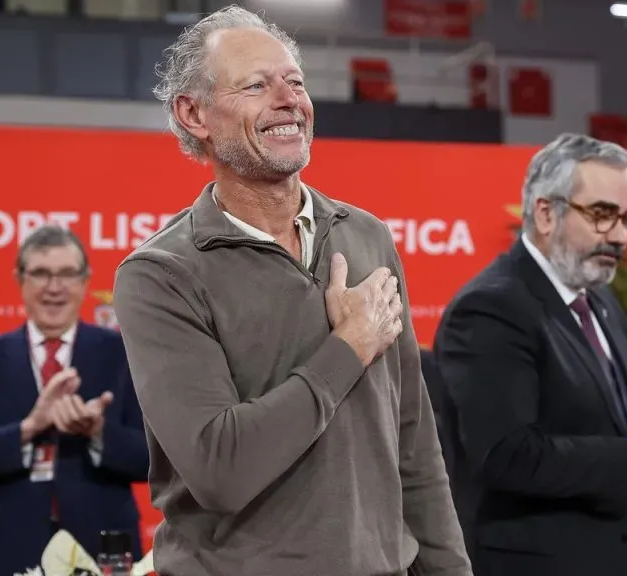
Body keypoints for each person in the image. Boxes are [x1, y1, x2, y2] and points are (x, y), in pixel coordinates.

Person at [111, 6, 470, 576]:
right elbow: (220, 468)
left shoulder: (367, 236)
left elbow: (414, 443)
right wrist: (349, 348)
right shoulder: (160, 274)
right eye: (256, 85)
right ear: (193, 113)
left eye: (295, 82)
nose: (289, 101)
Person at [433, 133, 627, 576]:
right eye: (602, 215)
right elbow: (504, 455)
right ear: (546, 213)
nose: (619, 237)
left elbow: (598, 425)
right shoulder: (490, 308)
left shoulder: (601, 302)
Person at [0, 226, 149, 576]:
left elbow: (157, 460)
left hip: (101, 549)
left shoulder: (125, 356)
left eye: (67, 274)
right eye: (41, 273)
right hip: (2, 553)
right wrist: (27, 429)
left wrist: (98, 432)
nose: (54, 287)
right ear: (20, 279)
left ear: (85, 280)